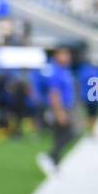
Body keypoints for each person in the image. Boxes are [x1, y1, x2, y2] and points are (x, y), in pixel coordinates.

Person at [37, 46, 76, 176]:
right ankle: (50, 156)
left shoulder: (64, 70)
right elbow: (54, 93)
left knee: (59, 135)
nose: (68, 57)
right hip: (60, 108)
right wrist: (59, 112)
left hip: (65, 106)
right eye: (65, 54)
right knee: (70, 133)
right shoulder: (55, 71)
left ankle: (55, 163)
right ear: (57, 56)